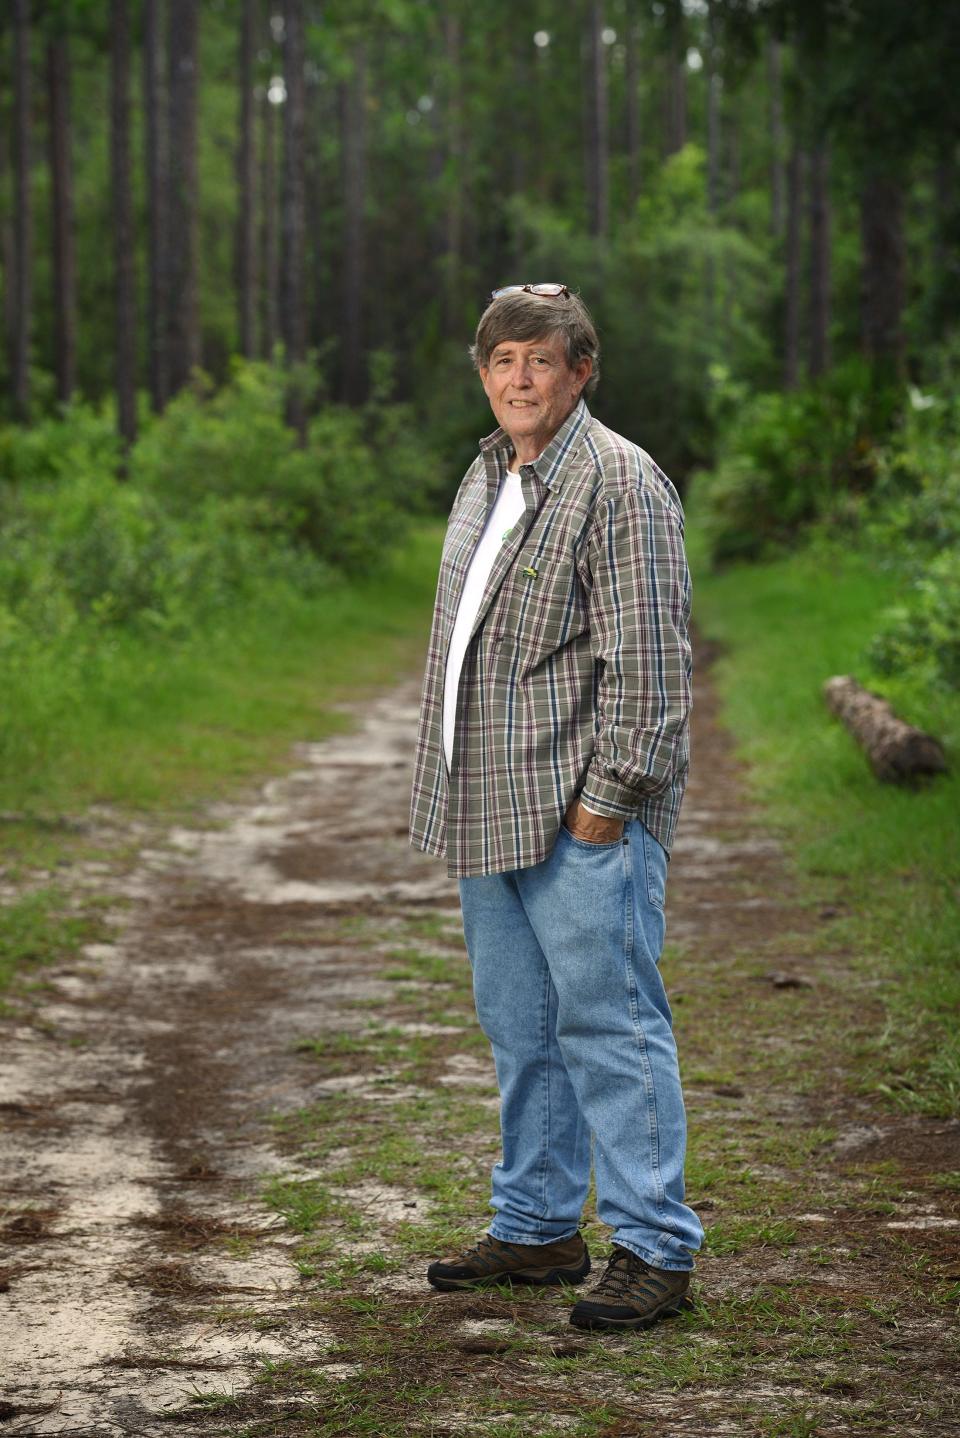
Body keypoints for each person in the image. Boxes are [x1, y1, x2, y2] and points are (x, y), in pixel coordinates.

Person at [409, 283, 703, 1331]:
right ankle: (536, 1224)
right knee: (521, 1026)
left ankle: (654, 1244)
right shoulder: (490, 474)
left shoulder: (617, 480)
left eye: (540, 360)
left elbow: (652, 664)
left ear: (581, 371)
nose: (518, 379)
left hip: (580, 812)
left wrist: (605, 807)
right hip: (490, 806)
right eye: (501, 362)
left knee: (610, 1025)